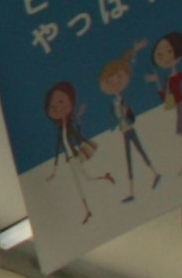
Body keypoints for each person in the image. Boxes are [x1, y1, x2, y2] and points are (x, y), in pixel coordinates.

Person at [96, 44, 154, 198]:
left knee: (138, 153)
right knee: (130, 157)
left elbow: (130, 117)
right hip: (124, 131)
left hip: (129, 129)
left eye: (118, 78)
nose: (114, 83)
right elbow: (116, 117)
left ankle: (152, 175)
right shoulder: (114, 101)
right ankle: (133, 190)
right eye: (109, 81)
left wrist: (126, 112)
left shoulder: (122, 101)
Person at [151, 29, 182, 175]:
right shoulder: (170, 79)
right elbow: (166, 98)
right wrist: (156, 82)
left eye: (168, 52)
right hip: (180, 105)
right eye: (160, 54)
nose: (163, 57)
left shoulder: (177, 76)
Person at [40, 81, 91, 212]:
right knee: (81, 180)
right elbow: (58, 149)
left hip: (74, 156)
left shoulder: (69, 127)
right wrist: (54, 170)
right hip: (70, 158)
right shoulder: (61, 130)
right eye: (53, 106)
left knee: (84, 178)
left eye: (61, 102)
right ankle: (87, 209)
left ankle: (87, 209)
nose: (57, 107)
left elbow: (79, 137)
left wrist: (85, 146)